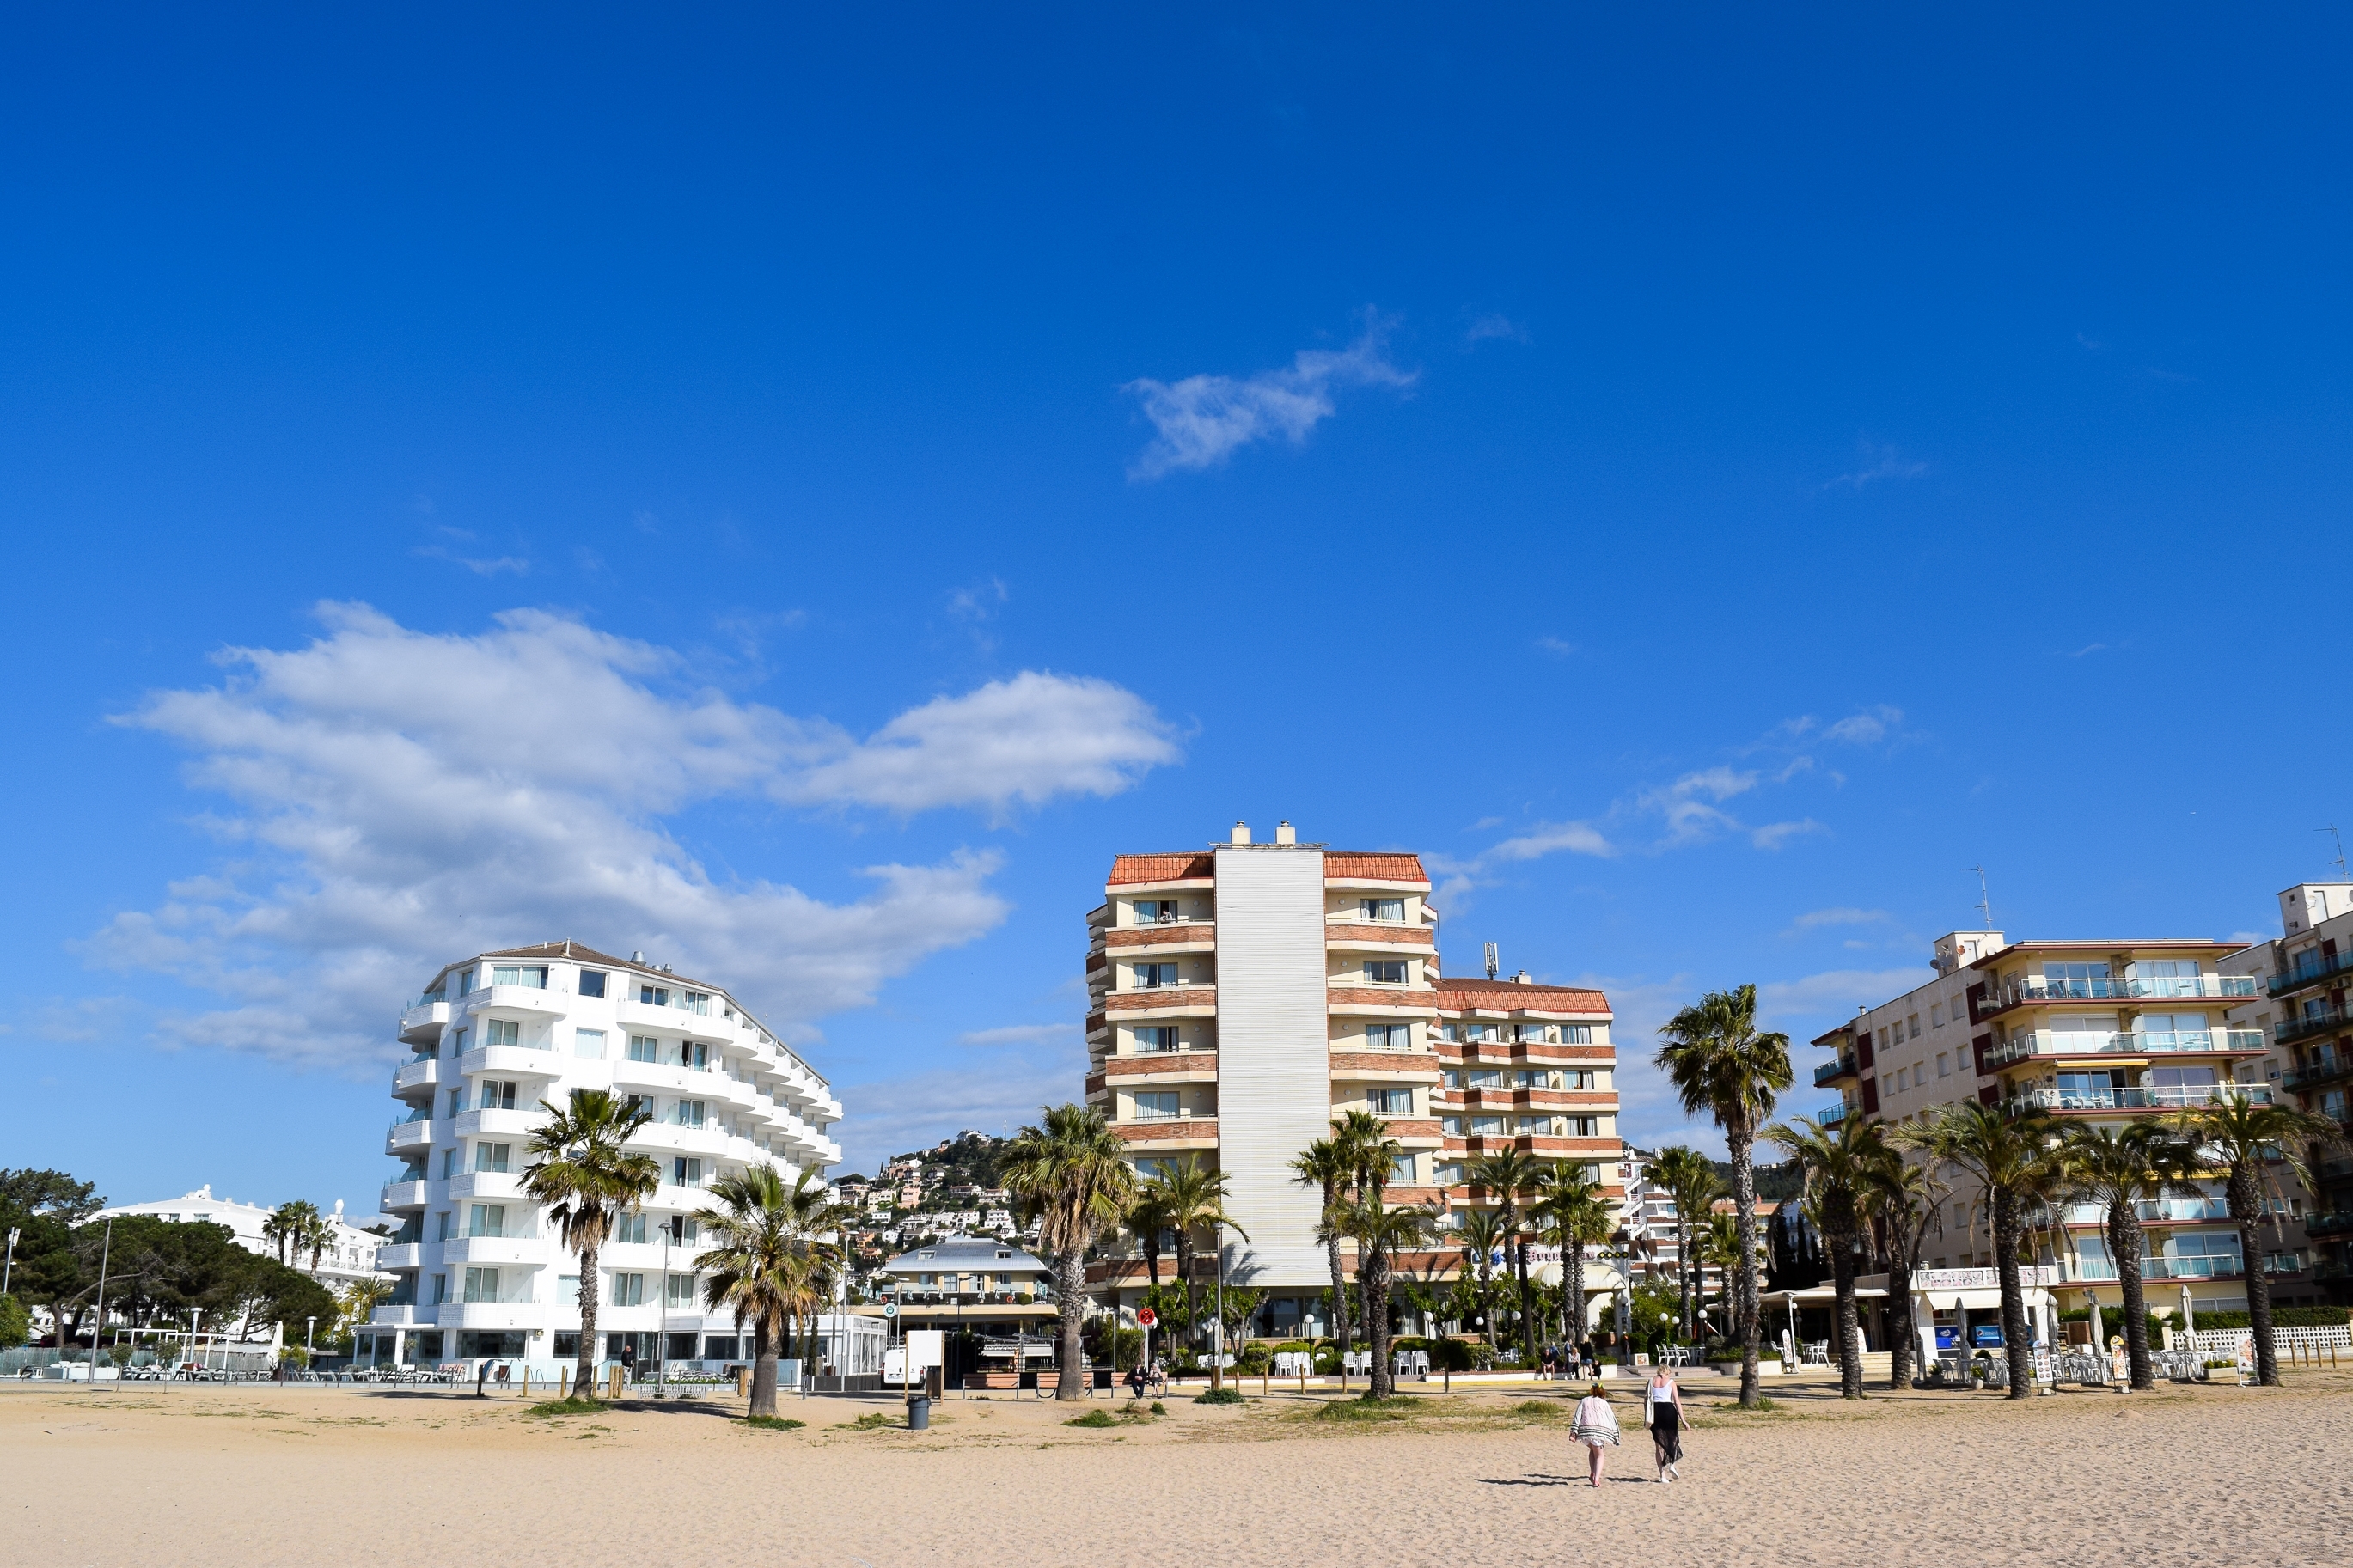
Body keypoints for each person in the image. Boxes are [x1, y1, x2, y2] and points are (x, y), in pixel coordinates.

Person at [1570, 1382, 1620, 1486]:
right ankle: (1596, 1479)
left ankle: (1593, 1472)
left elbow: (1577, 1416)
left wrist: (1574, 1431)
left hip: (1585, 1433)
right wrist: (1616, 1435)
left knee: (1593, 1450)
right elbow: (1612, 1419)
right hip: (1598, 1433)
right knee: (1600, 1455)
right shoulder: (1604, 1403)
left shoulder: (1584, 1401)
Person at [1643, 1364, 1684, 1483]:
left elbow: (1646, 1400)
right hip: (1668, 1410)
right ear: (1667, 1372)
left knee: (1658, 1444)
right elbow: (1677, 1401)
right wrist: (1683, 1419)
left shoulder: (1651, 1381)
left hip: (1655, 1412)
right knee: (1672, 1439)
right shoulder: (1671, 1382)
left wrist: (1647, 1415)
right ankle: (1671, 1463)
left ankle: (1662, 1475)